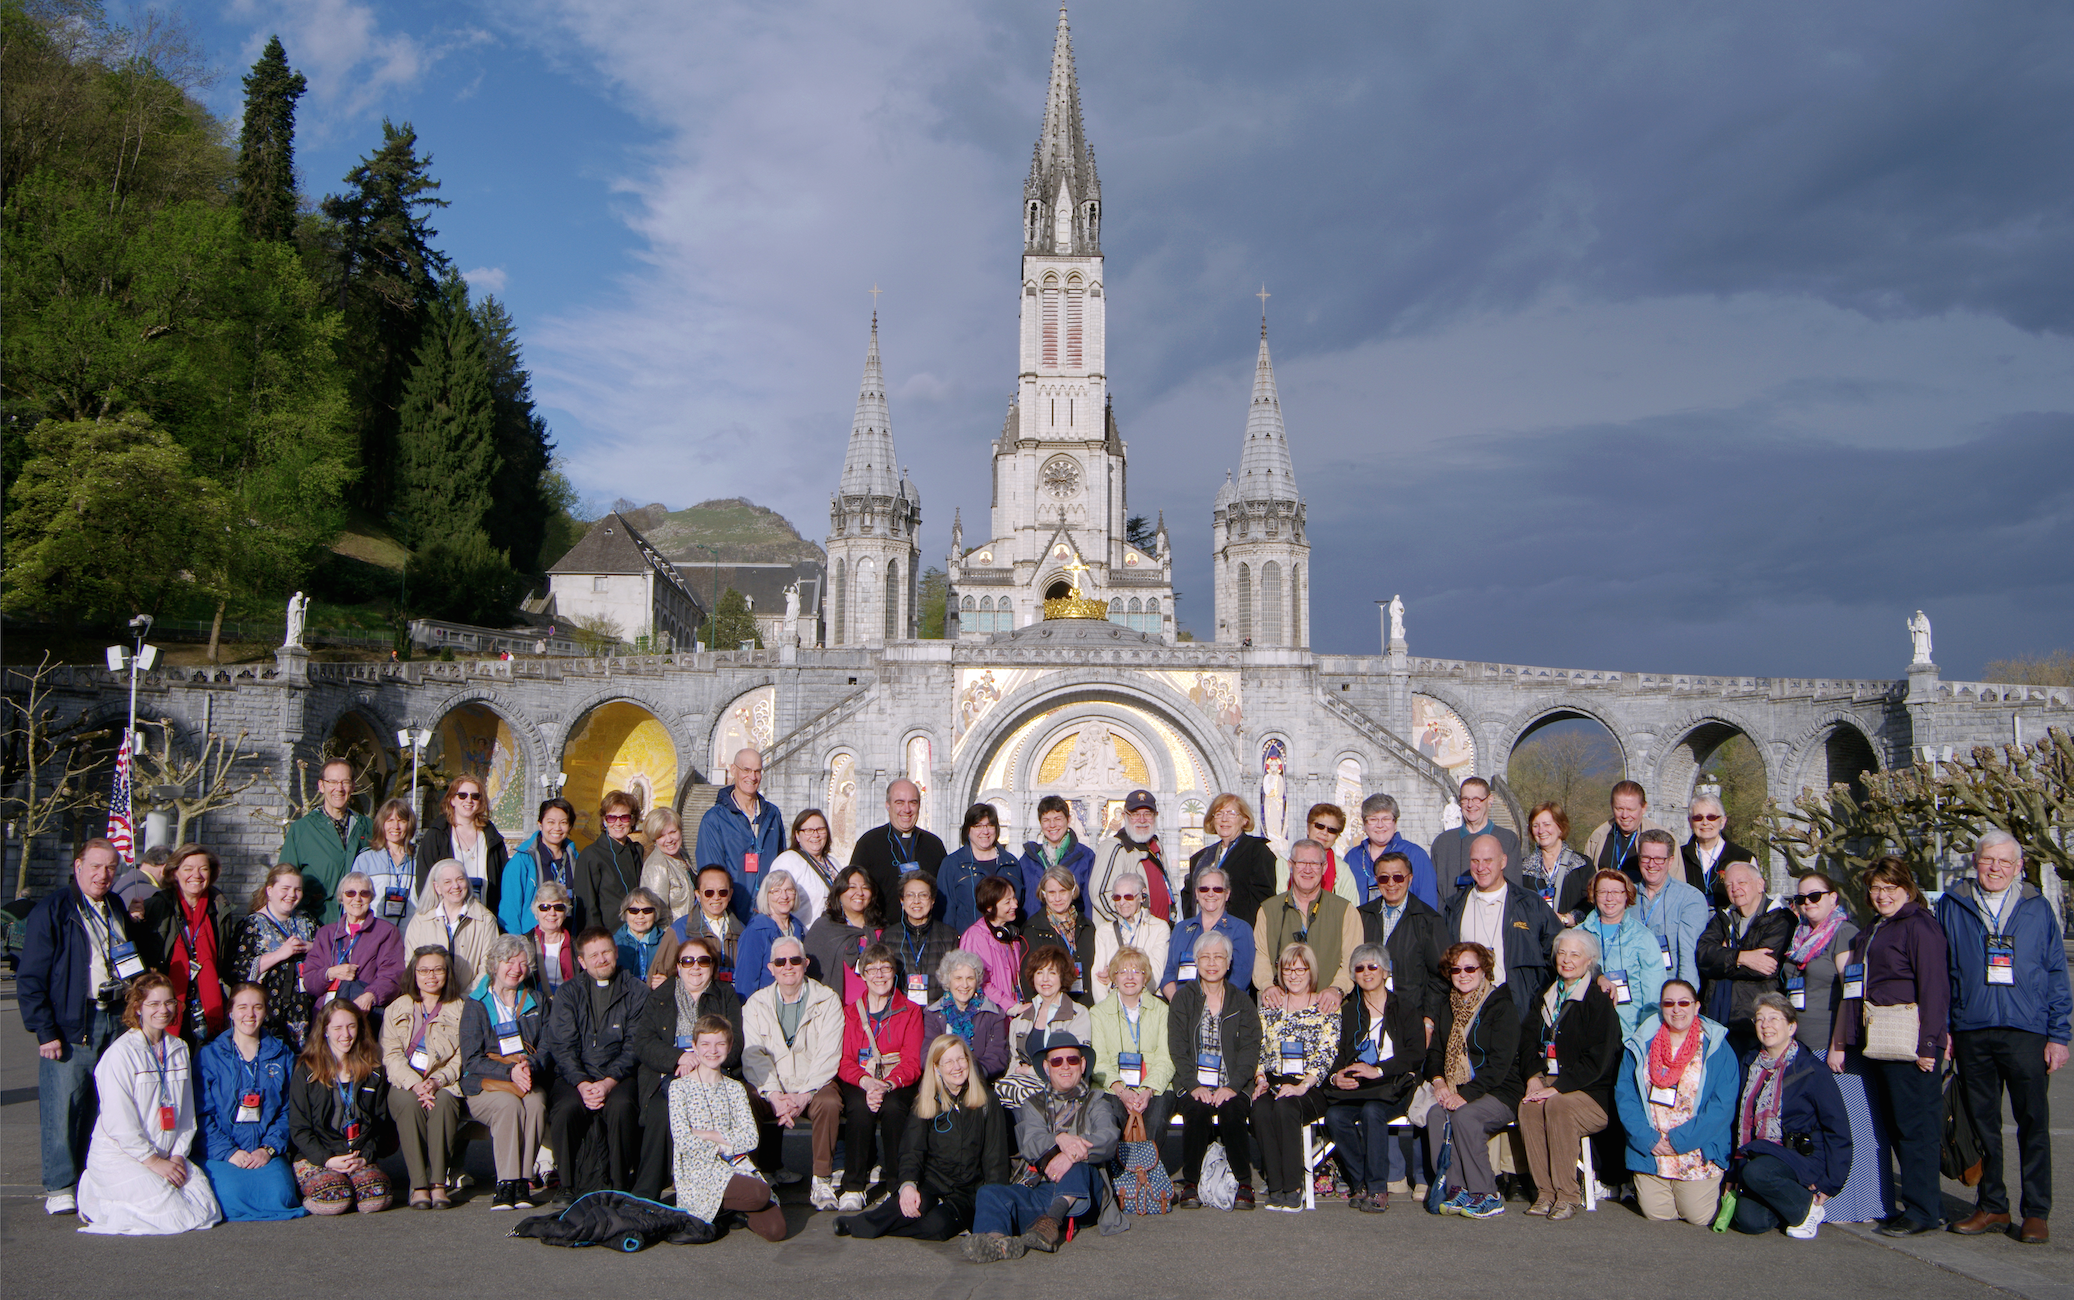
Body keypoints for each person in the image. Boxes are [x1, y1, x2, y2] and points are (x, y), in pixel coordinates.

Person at [1938, 832, 2070, 1245]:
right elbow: (1942, 974)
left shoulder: (2037, 908)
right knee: (1982, 1123)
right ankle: (1993, 1203)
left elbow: (2055, 975)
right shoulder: (1952, 906)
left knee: (2033, 1122)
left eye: (2004, 862)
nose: (1995, 868)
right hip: (1973, 1028)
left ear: (2019, 866)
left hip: (2026, 1030)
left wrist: (2059, 1035)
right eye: (1988, 860)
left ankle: (2036, 1211)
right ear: (1975, 861)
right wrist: (1945, 1027)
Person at [1830, 856, 1950, 1237]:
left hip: (1910, 1042)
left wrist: (1929, 1045)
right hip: (1880, 1040)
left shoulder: (1920, 928)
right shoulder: (1874, 929)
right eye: (1875, 888)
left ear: (1907, 888)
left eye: (1889, 888)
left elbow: (1935, 989)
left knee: (1918, 1129)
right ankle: (1920, 1203)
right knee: (1898, 1128)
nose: (1880, 895)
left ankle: (1923, 1211)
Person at [22, 839, 144, 1215]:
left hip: (114, 1018)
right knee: (63, 1107)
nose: (103, 875)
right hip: (72, 1021)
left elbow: (128, 960)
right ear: (78, 866)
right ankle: (59, 1184)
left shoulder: (116, 907)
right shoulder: (54, 909)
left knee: (103, 1103)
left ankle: (92, 1177)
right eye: (95, 866)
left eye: (110, 868)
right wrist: (45, 1031)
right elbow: (31, 977)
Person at [72, 973, 222, 1233]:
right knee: (173, 1217)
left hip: (167, 1153)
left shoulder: (179, 1048)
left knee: (207, 1210)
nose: (163, 1010)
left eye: (169, 1002)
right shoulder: (120, 1054)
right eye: (153, 1004)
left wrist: (177, 1155)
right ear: (138, 1007)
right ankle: (96, 1193)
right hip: (124, 1156)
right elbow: (119, 1122)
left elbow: (186, 1113)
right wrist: (152, 1162)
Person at [964, 1028, 1123, 1261]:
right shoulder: (1033, 1105)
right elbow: (1031, 1143)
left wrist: (1070, 1155)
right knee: (989, 1192)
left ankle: (1051, 1221)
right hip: (1043, 1187)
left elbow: (1108, 1137)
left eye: (1072, 1060)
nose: (1065, 1066)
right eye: (1057, 1061)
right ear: (1047, 1068)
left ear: (1083, 1064)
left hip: (1085, 1195)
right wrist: (1060, 1139)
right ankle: (999, 1242)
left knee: (1080, 1164)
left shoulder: (1097, 1100)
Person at [836, 1033, 1012, 1240]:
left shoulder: (987, 1101)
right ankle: (861, 1224)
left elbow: (996, 1159)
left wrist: (992, 1208)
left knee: (936, 1227)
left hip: (968, 1189)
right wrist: (909, 1185)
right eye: (948, 1062)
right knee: (904, 1207)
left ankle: (884, 1227)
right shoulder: (926, 1101)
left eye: (961, 1059)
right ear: (937, 1068)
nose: (956, 1067)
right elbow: (912, 1150)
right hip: (933, 1181)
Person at [1515, 930, 1622, 1220]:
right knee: (1529, 1106)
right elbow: (1527, 1041)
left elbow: (1599, 1059)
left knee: (1558, 1105)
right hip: (1549, 1081)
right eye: (1562, 953)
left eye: (1575, 954)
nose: (1567, 960)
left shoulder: (1597, 1001)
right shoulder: (1546, 995)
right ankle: (1545, 1193)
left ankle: (1567, 1195)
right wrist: (1533, 1077)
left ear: (1590, 961)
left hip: (1590, 1092)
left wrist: (1559, 1087)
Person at [632, 933, 747, 1199]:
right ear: (678, 966)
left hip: (713, 1075)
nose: (695, 967)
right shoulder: (660, 996)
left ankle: (710, 1188)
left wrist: (703, 1064)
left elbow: (736, 1042)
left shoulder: (726, 995)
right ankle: (646, 1192)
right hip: (668, 1074)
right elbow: (643, 1042)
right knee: (663, 1108)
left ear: (713, 967)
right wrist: (678, 1057)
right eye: (688, 961)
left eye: (703, 961)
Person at [1728, 994, 1852, 1238]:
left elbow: (1837, 1128)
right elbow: (1738, 1120)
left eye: (1774, 1018)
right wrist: (1733, 1172)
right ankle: (1788, 1201)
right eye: (1760, 1019)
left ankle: (1807, 1210)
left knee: (1757, 1173)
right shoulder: (1750, 1063)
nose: (1766, 1025)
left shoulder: (1810, 1069)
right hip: (1759, 1154)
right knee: (1748, 1220)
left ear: (1792, 1026)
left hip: (1799, 1155)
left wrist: (1831, 1183)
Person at [1614, 978, 1735, 1225]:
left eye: (1684, 1002)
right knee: (1657, 1213)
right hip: (1653, 1147)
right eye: (1669, 1003)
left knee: (1698, 1217)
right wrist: (1649, 1139)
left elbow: (1722, 1106)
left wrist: (1680, 1140)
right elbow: (1625, 1096)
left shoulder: (1718, 1047)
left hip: (1695, 1147)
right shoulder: (1640, 1045)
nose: (1676, 1009)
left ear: (1697, 1006)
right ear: (1661, 1007)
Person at [740, 935, 845, 1209]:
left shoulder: (828, 1000)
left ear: (805, 964)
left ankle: (821, 1180)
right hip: (772, 1085)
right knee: (745, 1098)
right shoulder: (755, 1003)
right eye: (780, 961)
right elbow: (753, 1054)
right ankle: (758, 1174)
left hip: (813, 1082)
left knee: (830, 1102)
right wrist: (774, 1095)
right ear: (771, 968)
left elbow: (828, 1053)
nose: (788, 966)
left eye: (795, 960)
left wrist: (806, 1095)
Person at [1323, 943, 1427, 1211]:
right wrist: (1337, 1076)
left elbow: (1415, 1054)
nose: (1366, 972)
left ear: (1385, 972)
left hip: (1394, 1084)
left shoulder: (1405, 1008)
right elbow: (1336, 1053)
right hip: (1359, 1086)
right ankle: (1359, 1184)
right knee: (1336, 1117)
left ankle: (1378, 1188)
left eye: (1373, 966)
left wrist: (1379, 1069)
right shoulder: (1349, 1011)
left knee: (1372, 1112)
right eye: (1359, 968)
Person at [1422, 941, 1522, 1219]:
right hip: (1459, 1087)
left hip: (1500, 1089)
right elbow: (1435, 1053)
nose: (1463, 974)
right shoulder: (1446, 1006)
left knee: (1465, 1117)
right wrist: (1439, 1082)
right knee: (1435, 1115)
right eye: (1456, 969)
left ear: (1483, 970)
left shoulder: (1501, 1006)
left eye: (1470, 968)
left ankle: (1486, 1193)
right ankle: (1456, 1189)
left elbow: (1500, 1064)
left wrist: (1465, 1095)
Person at [543, 927, 645, 1195]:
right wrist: (582, 1083)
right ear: (581, 961)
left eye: (606, 952)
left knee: (622, 1106)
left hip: (619, 1075)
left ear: (615, 953)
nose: (601, 960)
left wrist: (609, 1082)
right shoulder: (567, 993)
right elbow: (562, 1046)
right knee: (565, 1109)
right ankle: (566, 1185)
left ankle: (621, 1184)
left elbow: (634, 1045)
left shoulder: (636, 991)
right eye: (594, 955)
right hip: (576, 1075)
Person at [667, 1013, 788, 1239]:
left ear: (730, 1046)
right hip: (699, 1170)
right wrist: (726, 1142)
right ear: (694, 1046)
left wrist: (709, 1134)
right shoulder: (679, 1088)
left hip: (735, 1165)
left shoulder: (735, 1089)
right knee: (759, 1192)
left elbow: (751, 1138)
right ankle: (722, 1207)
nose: (712, 1050)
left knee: (776, 1230)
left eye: (720, 1043)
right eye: (705, 1044)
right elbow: (683, 1140)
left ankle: (731, 1210)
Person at [1168, 930, 1262, 1211]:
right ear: (1195, 962)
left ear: (1229, 962)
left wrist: (1233, 1086)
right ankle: (1191, 1183)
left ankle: (1244, 1182)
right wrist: (1193, 1085)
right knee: (1196, 1111)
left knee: (1233, 1112)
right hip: (1192, 1081)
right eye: (1205, 957)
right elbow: (1178, 1048)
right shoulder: (1183, 1000)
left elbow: (1250, 1048)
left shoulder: (1242, 1001)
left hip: (1231, 1082)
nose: (1212, 963)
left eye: (1218, 957)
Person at [195, 983, 305, 1221]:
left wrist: (268, 1149)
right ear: (231, 1012)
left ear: (266, 1011)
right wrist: (228, 1152)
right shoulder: (209, 1056)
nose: (250, 1014)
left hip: (263, 1151)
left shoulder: (282, 1054)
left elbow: (289, 1110)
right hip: (223, 1153)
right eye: (242, 1007)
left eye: (257, 1007)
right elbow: (201, 1114)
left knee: (281, 1196)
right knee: (231, 1198)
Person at [459, 933, 550, 1209]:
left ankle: (523, 1182)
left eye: (522, 963)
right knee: (509, 1106)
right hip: (487, 1083)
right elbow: (471, 1060)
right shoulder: (476, 1004)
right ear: (494, 965)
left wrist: (528, 1066)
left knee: (535, 1103)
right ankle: (506, 1183)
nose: (516, 969)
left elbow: (547, 1047)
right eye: (509, 962)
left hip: (527, 1076)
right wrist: (509, 1073)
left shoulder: (536, 1000)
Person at [834, 943, 926, 1209]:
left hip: (895, 1078)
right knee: (859, 1108)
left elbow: (911, 1060)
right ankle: (853, 1185)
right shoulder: (850, 1012)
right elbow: (845, 1059)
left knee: (895, 1108)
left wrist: (886, 1084)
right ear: (862, 975)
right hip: (860, 1077)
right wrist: (865, 1082)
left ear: (895, 972)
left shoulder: (911, 1011)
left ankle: (897, 1185)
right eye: (871, 969)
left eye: (885, 968)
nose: (879, 975)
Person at [1252, 941, 1340, 1210]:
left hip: (1310, 1087)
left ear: (1311, 971)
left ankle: (1294, 1186)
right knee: (1260, 1109)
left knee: (1285, 1107)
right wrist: (1260, 1080)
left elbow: (1328, 1052)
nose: (1294, 975)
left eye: (1300, 969)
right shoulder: (1271, 1005)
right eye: (1287, 969)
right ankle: (1275, 1186)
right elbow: (1259, 1046)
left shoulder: (1326, 1005)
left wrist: (1303, 1086)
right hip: (1274, 1081)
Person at [380, 945, 467, 1209]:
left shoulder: (461, 1008)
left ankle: (438, 1183)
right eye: (424, 970)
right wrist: (415, 1084)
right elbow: (391, 1054)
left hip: (444, 1082)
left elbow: (463, 1055)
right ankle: (418, 1184)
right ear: (414, 973)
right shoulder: (397, 1007)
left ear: (447, 973)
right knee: (407, 1104)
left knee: (443, 1103)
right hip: (406, 1081)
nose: (431, 975)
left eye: (438, 969)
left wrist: (437, 1081)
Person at [288, 1000, 393, 1214]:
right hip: (319, 1156)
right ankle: (312, 1193)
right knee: (333, 1201)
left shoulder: (374, 1071)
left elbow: (381, 1123)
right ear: (325, 1030)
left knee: (376, 1200)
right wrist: (327, 1159)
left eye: (351, 1026)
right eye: (337, 1028)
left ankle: (350, 1185)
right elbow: (299, 1128)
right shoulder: (306, 1071)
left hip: (358, 1155)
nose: (345, 1034)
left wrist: (366, 1155)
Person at [1442, 833, 1561, 1017]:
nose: (1481, 868)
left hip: (1520, 1009)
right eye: (1475, 861)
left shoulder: (1531, 904)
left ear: (1503, 861)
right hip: (1469, 1012)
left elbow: (1556, 952)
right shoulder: (1454, 907)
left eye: (1488, 860)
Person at [141, 843, 238, 1043]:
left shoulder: (220, 909)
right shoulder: (156, 906)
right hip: (165, 1003)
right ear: (174, 872)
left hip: (205, 1004)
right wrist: (133, 920)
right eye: (188, 869)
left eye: (203, 869)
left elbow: (226, 957)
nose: (196, 875)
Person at [1698, 860, 1793, 1049]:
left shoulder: (1781, 918)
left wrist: (1722, 959)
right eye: (1729, 885)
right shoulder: (1722, 917)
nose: (1735, 889)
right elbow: (1703, 956)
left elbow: (1765, 968)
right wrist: (1742, 957)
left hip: (1755, 1020)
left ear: (1760, 884)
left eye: (1742, 882)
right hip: (1718, 1017)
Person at [1255, 838, 1361, 1005]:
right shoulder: (1268, 910)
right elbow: (1261, 956)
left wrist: (1337, 989)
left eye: (1314, 863)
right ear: (1290, 865)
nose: (1307, 869)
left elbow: (1352, 959)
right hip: (1282, 1009)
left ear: (1324, 867)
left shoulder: (1345, 910)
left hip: (1331, 1009)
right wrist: (1267, 986)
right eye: (1301, 863)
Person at [1356, 850, 1448, 1029]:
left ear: (1410, 878)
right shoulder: (1362, 916)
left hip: (1411, 1017)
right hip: (1368, 1015)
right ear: (1376, 879)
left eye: (1398, 877)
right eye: (1384, 878)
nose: (1391, 884)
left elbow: (1440, 977)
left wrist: (1428, 1019)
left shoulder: (1428, 920)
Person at [697, 749, 788, 924]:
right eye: (746, 770)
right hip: (731, 918)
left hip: (767, 916)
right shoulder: (715, 819)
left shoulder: (772, 814)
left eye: (757, 771)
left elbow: (780, 864)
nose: (752, 777)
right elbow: (711, 874)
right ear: (733, 770)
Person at [1089, 945, 1173, 1134]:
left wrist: (1147, 1090)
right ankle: (1120, 1165)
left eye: (1137, 971)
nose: (1129, 977)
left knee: (1156, 1120)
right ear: (1114, 977)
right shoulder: (1097, 1013)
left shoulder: (1162, 1011)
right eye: (1123, 972)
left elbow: (1165, 1058)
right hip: (1112, 1086)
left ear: (1145, 978)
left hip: (1154, 1086)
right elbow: (1099, 1061)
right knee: (1113, 1117)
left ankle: (1148, 1164)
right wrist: (1123, 1091)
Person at [276, 758, 371, 923]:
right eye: (332, 782)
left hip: (360, 926)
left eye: (345, 782)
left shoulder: (368, 827)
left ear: (353, 786)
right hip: (316, 923)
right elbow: (283, 880)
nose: (339, 788)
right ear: (321, 786)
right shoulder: (302, 830)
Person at [301, 870, 405, 1019]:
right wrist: (330, 973)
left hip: (366, 1012)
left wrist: (370, 996)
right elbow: (310, 980)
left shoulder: (387, 932)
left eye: (364, 893)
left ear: (371, 897)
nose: (357, 898)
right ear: (341, 898)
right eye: (350, 893)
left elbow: (392, 975)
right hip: (328, 1014)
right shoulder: (326, 933)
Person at [233, 864, 316, 1050]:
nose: (291, 895)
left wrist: (311, 946)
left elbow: (328, 953)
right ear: (270, 890)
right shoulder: (252, 925)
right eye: (285, 889)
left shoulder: (307, 922)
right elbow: (237, 971)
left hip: (302, 1012)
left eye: (297, 889)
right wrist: (280, 954)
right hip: (266, 1011)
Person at [999, 944, 1093, 1107]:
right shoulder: (1020, 1019)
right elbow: (1014, 1063)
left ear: (1062, 977)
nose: (1045, 979)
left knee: (1026, 1102)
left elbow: (1072, 1065)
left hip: (1061, 1088)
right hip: (1022, 1088)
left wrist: (1029, 1071)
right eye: (1039, 973)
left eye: (1052, 973)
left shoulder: (1078, 1014)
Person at [1577, 868, 1667, 1036]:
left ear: (1627, 895)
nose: (1610, 898)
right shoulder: (1577, 936)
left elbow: (1654, 993)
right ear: (1593, 895)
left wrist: (1647, 1036)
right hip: (1586, 1028)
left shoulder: (1643, 938)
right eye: (1603, 892)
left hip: (1629, 1031)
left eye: (1616, 892)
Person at [1784, 872, 1859, 1059]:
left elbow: (1850, 994)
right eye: (1801, 898)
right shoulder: (1798, 938)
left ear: (1833, 897)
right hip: (1798, 1040)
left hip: (1829, 1042)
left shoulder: (1844, 933)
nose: (1807, 902)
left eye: (1814, 896)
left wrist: (1838, 1045)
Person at [413, 775, 508, 915]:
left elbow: (503, 879)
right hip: (446, 917)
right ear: (452, 800)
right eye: (462, 795)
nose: (469, 800)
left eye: (475, 796)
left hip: (484, 916)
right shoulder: (437, 835)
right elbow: (424, 880)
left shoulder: (492, 837)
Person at [851, 777, 950, 909]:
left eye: (913, 802)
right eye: (899, 802)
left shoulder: (933, 844)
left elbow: (945, 893)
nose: (907, 809)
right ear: (888, 805)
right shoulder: (869, 843)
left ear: (919, 806)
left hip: (927, 928)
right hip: (883, 927)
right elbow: (852, 891)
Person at [403, 859, 499, 994]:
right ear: (437, 887)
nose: (456, 886)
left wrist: (466, 999)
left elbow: (488, 967)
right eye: (447, 882)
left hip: (468, 1001)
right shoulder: (421, 919)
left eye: (460, 879)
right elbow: (411, 962)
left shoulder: (485, 920)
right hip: (429, 1001)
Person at [1185, 792, 1278, 932]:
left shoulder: (1257, 852)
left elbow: (1264, 900)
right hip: (1201, 935)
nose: (1224, 819)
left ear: (1244, 820)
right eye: (1219, 813)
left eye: (1231, 813)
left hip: (1238, 934)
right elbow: (1188, 897)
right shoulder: (1201, 858)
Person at [1162, 866, 1257, 995]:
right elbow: (1168, 974)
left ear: (1227, 894)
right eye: (1204, 889)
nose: (1210, 894)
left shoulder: (1240, 929)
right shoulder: (1180, 929)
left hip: (1224, 1008)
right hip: (1182, 1008)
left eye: (1217, 889)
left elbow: (1239, 980)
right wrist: (1179, 1005)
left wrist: (1207, 1006)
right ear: (1196, 893)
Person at [1634, 830, 1709, 986]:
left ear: (1670, 861)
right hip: (1633, 988)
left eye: (1659, 859)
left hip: (1668, 989)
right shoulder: (1625, 896)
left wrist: (1683, 998)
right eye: (1646, 857)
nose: (1651, 864)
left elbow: (1689, 957)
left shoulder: (1690, 898)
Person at [925, 949, 1011, 1081]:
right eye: (958, 978)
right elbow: (927, 1055)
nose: (964, 985)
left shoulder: (993, 1013)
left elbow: (997, 1056)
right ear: (948, 981)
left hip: (979, 1081)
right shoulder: (934, 1013)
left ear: (977, 981)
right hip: (941, 1082)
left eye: (970, 978)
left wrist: (968, 1073)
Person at [1088, 789, 1174, 921]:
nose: (1142, 820)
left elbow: (1170, 888)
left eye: (1148, 814)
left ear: (1156, 816)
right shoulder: (1114, 848)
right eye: (1135, 814)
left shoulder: (1156, 846)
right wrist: (1134, 926)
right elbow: (1101, 895)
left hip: (1162, 935)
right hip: (1131, 938)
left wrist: (1172, 916)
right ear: (1124, 816)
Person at [498, 797, 580, 936]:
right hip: (533, 941)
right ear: (540, 824)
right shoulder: (522, 861)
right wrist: (519, 946)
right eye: (551, 822)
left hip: (569, 940)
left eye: (563, 823)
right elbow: (510, 911)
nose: (557, 828)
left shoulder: (575, 859)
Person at [1344, 793, 1439, 909]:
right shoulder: (1353, 857)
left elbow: (1428, 904)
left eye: (1386, 819)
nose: (1380, 825)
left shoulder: (1415, 855)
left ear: (1395, 823)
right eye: (1373, 819)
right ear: (1364, 825)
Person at [806, 865, 885, 1003]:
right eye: (852, 887)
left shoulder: (881, 930)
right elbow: (811, 976)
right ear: (839, 892)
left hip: (877, 1011)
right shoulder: (824, 928)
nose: (859, 893)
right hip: (837, 1012)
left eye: (865, 887)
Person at [939, 803, 1022, 934]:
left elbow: (1020, 910)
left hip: (1006, 943)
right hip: (968, 946)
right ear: (968, 830)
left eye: (990, 825)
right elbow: (945, 913)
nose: (985, 831)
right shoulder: (952, 864)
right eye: (978, 826)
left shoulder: (1011, 863)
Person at [1430, 777, 1519, 899]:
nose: (1470, 805)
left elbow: (1514, 891)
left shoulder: (1508, 840)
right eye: (1465, 799)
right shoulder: (1442, 843)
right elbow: (1434, 893)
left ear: (1490, 800)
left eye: (1477, 799)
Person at [1090, 871, 1171, 1001]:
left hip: (1145, 1005)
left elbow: (1155, 973)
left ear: (1142, 896)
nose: (1122, 902)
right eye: (1117, 897)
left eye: (1128, 897)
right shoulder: (1104, 931)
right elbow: (1097, 978)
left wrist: (1133, 1004)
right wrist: (1106, 1011)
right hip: (1112, 1006)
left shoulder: (1159, 928)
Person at [1023, 865, 1097, 1003]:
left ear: (1072, 891)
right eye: (1051, 892)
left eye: (1063, 891)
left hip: (1086, 1006)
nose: (1057, 898)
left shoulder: (1087, 926)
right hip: (1053, 1009)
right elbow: (1028, 978)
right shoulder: (1033, 929)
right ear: (1044, 894)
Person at [576, 789, 646, 929]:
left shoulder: (637, 850)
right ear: (604, 821)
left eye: (624, 817)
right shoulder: (591, 855)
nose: (618, 823)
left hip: (637, 930)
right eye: (612, 818)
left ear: (632, 820)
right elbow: (587, 906)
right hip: (608, 935)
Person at [737, 869, 810, 999]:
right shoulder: (755, 932)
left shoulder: (798, 928)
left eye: (789, 890)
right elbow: (745, 983)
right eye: (776, 891)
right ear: (766, 896)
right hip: (765, 1009)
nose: (784, 896)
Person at [1017, 793, 1094, 917]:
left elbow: (1089, 901)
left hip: (1071, 929)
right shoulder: (1028, 859)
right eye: (1046, 820)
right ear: (1040, 823)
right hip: (1034, 931)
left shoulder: (1085, 856)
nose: (1052, 825)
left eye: (1058, 819)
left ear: (1068, 820)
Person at [352, 798, 422, 931]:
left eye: (401, 820)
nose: (395, 826)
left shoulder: (420, 858)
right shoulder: (365, 859)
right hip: (374, 934)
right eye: (389, 820)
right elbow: (351, 903)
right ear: (381, 823)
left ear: (409, 824)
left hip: (411, 935)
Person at [1583, 780, 1674, 881]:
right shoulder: (1597, 837)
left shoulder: (1665, 839)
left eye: (1631, 809)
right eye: (1619, 809)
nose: (1625, 815)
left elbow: (1677, 883)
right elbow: (1587, 881)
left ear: (1644, 808)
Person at [668, 867, 745, 983]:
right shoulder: (679, 929)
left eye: (722, 892)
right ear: (698, 895)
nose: (716, 897)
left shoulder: (743, 930)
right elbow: (661, 975)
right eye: (709, 892)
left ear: (730, 894)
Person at [960, 877, 1026, 1011]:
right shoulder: (976, 937)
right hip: (993, 1014)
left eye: (1014, 898)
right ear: (990, 908)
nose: (1015, 905)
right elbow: (979, 983)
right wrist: (1011, 1006)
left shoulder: (1010, 934)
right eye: (1008, 902)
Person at [891, 872, 958, 1005]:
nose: (917, 901)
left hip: (938, 1013)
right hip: (902, 1013)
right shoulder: (889, 936)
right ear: (902, 900)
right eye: (910, 895)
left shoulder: (949, 935)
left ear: (932, 901)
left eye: (923, 895)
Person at [1680, 794, 1755, 910]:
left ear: (1722, 821)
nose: (1705, 822)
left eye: (1711, 817)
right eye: (1698, 817)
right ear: (1690, 822)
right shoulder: (1677, 856)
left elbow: (1754, 899)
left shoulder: (1743, 858)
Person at [1522, 803, 1594, 922]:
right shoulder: (1523, 868)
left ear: (1560, 827)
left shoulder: (1581, 864)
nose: (1541, 830)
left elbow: (1591, 901)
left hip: (1572, 935)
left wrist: (1568, 919)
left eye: (1547, 824)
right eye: (1536, 825)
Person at [770, 807, 842, 922]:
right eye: (808, 830)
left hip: (834, 933)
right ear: (797, 835)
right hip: (804, 935)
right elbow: (773, 901)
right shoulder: (788, 860)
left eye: (820, 829)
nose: (816, 835)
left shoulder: (833, 863)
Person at [1285, 802, 1359, 903]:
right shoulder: (1284, 860)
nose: (1324, 832)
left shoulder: (1342, 870)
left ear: (1337, 836)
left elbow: (1350, 909)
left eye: (1331, 830)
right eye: (1319, 826)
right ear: (1308, 828)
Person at [638, 806, 695, 922]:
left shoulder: (683, 854)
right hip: (676, 935)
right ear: (654, 839)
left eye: (672, 832)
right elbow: (657, 915)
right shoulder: (657, 867)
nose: (669, 839)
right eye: (661, 836)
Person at [613, 886, 672, 987]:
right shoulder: (613, 943)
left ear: (655, 913)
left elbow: (679, 973)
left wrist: (668, 982)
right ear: (625, 913)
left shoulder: (667, 941)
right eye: (634, 911)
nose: (640, 916)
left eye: (647, 910)